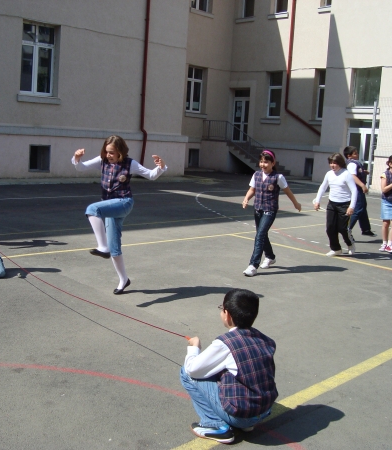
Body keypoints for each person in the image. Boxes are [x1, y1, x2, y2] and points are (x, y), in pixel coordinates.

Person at [180, 288, 277, 444]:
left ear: (228, 315)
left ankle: (215, 424)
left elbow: (192, 369)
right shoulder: (266, 340)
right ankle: (247, 423)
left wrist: (194, 347)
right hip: (264, 411)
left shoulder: (225, 343)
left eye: (222, 309)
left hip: (241, 416)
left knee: (185, 373)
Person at [72, 135, 167, 294]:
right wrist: (77, 158)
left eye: (112, 152)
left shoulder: (130, 164)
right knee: (114, 246)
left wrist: (161, 167)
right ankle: (124, 280)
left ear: (120, 152)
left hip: (124, 203)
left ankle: (103, 247)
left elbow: (151, 175)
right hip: (111, 206)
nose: (108, 155)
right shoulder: (102, 160)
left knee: (92, 209)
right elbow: (81, 167)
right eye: (106, 151)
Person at [241, 150, 302, 277]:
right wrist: (246, 199)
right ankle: (270, 257)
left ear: (273, 163)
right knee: (262, 234)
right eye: (261, 162)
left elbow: (288, 191)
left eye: (266, 162)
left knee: (260, 235)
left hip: (270, 210)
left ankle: (253, 265)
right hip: (258, 209)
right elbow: (252, 189)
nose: (263, 165)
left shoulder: (278, 177)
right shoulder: (256, 175)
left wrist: (296, 203)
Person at [313, 153, 358, 256]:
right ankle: (336, 249)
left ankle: (350, 244)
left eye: (335, 163)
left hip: (344, 205)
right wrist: (317, 201)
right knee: (330, 228)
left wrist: (351, 206)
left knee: (342, 228)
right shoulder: (329, 174)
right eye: (331, 163)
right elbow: (323, 187)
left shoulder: (346, 174)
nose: (332, 165)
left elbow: (354, 191)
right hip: (332, 204)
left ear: (340, 163)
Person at [344, 146, 376, 238]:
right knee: (358, 209)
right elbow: (353, 176)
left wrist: (363, 172)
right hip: (356, 189)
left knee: (362, 208)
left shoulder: (354, 163)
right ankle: (347, 229)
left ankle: (366, 229)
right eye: (355, 153)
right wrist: (362, 185)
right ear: (349, 156)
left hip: (357, 189)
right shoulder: (352, 164)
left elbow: (356, 172)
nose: (357, 155)